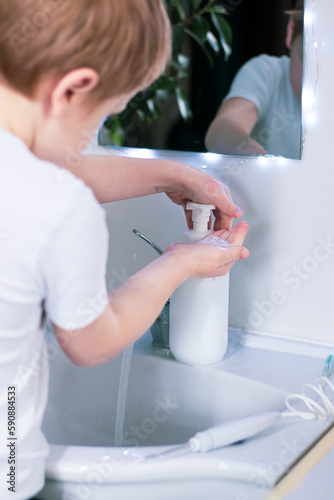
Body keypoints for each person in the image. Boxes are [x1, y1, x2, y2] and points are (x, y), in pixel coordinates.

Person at [0, 1, 249, 499]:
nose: (91, 138)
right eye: (103, 116)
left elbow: (46, 172)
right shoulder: (60, 207)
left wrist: (172, 175)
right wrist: (179, 262)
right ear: (73, 89)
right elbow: (90, 341)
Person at [205, 1, 303, 159]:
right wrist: (249, 151)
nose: (317, 83)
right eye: (306, 62)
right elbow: (223, 129)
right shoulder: (267, 73)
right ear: (291, 32)